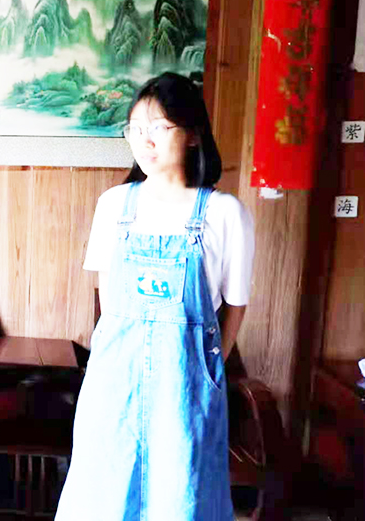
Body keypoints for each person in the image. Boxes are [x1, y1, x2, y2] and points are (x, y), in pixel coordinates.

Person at [55, 72, 255, 520]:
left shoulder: (225, 213)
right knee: (104, 494)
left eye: (159, 127)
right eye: (135, 128)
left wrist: (206, 368)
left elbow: (235, 306)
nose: (144, 140)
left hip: (186, 384)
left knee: (181, 494)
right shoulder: (114, 205)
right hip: (114, 381)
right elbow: (109, 300)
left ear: (193, 135)